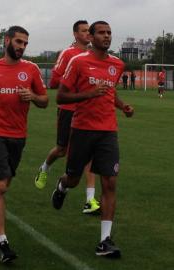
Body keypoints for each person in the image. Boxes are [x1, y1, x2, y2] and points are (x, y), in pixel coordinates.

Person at [51, 21, 134, 258]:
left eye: (109, 32)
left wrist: (122, 106)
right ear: (92, 36)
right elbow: (61, 95)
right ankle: (62, 185)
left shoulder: (117, 64)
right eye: (102, 32)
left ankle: (105, 241)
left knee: (109, 183)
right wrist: (88, 94)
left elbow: (110, 92)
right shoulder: (78, 61)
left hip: (108, 131)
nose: (107, 36)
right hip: (82, 129)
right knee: (74, 179)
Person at [0, 26, 48, 263]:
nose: (22, 47)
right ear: (7, 41)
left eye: (25, 43)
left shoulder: (32, 69)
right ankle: (3, 243)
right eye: (18, 42)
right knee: (1, 186)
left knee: (2, 182)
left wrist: (34, 98)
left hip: (18, 135)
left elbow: (45, 100)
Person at [34, 20, 100, 215]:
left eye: (89, 31)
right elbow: (54, 81)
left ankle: (90, 200)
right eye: (84, 31)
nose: (88, 34)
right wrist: (76, 83)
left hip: (88, 110)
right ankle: (44, 167)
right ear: (75, 34)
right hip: (69, 108)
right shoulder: (68, 54)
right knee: (62, 150)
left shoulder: (94, 55)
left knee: (90, 155)